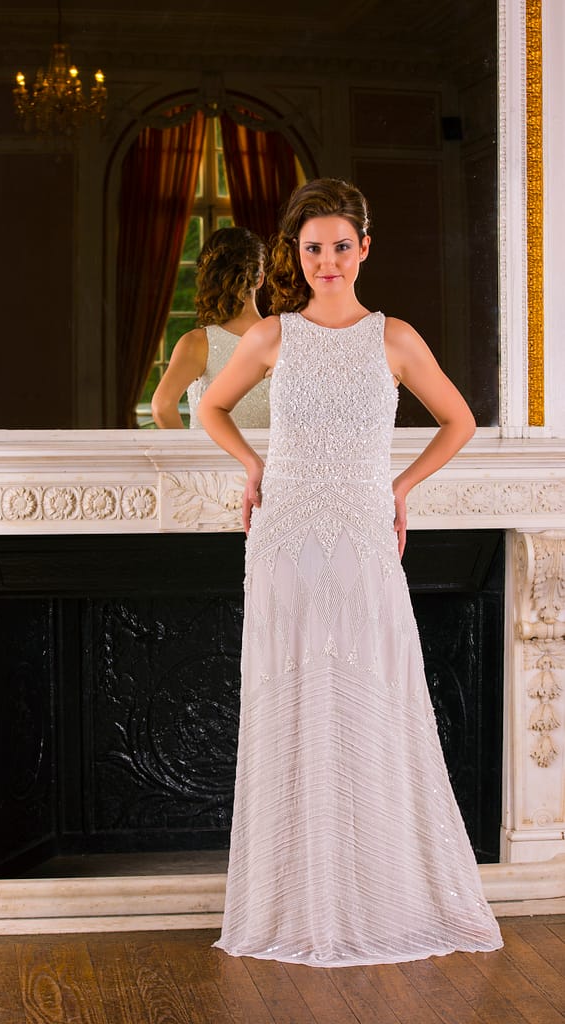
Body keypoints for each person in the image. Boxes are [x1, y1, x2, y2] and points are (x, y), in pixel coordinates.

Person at [198, 178, 503, 967]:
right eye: (311, 248)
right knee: (291, 695)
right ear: (293, 254)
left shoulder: (394, 339)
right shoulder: (271, 337)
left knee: (373, 694)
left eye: (339, 246)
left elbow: (459, 420)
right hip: (285, 536)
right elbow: (211, 409)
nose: (326, 260)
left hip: (364, 535)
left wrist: (400, 487)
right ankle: (295, 903)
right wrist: (254, 467)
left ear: (363, 249)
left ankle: (377, 897)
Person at [151, 227, 270, 429]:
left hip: (212, 460)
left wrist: (190, 457)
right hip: (273, 460)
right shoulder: (284, 338)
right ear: (259, 278)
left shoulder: (197, 343)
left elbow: (162, 406)